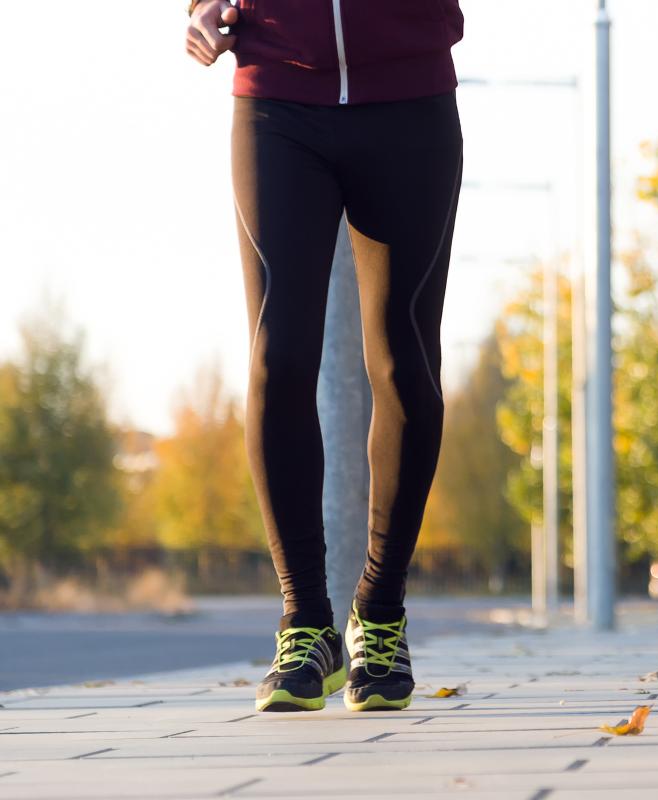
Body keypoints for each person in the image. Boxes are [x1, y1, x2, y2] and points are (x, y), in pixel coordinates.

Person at [185, 0, 465, 712]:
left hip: (410, 96)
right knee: (277, 357)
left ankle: (379, 612)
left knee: (404, 364)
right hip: (277, 96)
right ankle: (306, 621)